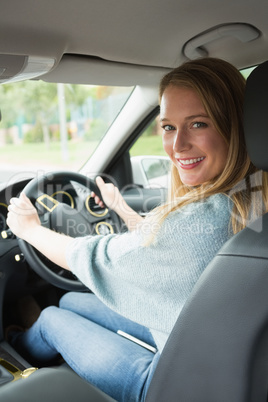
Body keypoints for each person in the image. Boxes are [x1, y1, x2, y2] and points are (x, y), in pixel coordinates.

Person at [6, 57, 267, 402]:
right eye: (169, 127)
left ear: (236, 125)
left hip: (171, 384)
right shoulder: (249, 195)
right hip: (223, 360)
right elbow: (165, 246)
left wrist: (29, 229)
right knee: (70, 298)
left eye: (199, 124)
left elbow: (90, 256)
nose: (177, 146)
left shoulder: (200, 221)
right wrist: (122, 209)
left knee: (53, 316)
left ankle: (12, 351)